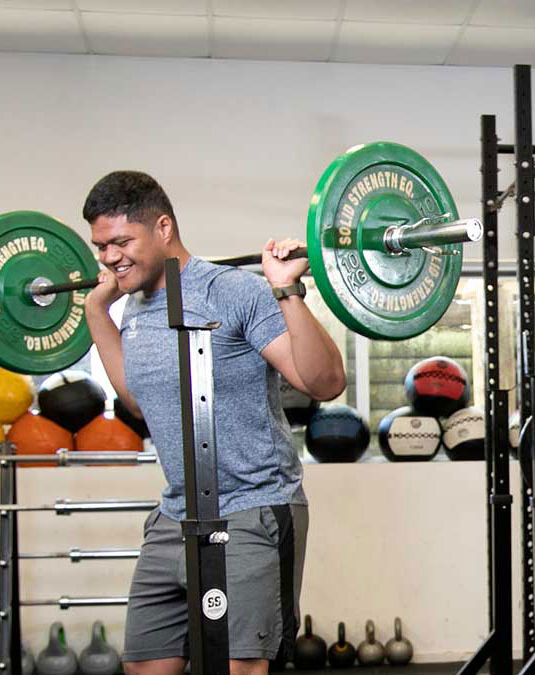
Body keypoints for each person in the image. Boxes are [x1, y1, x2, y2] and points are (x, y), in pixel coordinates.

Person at [81, 170, 347, 675]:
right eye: (101, 248)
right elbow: (138, 401)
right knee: (144, 666)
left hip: (252, 506)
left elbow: (325, 382)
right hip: (176, 512)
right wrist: (98, 310)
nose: (111, 258)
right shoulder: (133, 309)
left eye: (120, 242)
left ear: (163, 228)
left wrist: (287, 291)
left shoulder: (232, 292)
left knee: (239, 669)